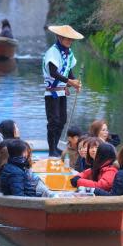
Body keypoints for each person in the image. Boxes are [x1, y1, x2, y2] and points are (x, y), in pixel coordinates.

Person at [43, 25, 84, 157]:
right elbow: (53, 73)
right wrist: (70, 82)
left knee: (62, 120)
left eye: (71, 40)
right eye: (67, 39)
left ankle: (55, 147)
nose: (70, 42)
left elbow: (68, 71)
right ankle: (51, 150)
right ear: (60, 38)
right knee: (53, 120)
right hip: (51, 92)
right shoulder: (52, 52)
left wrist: (75, 82)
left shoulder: (69, 53)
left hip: (62, 92)